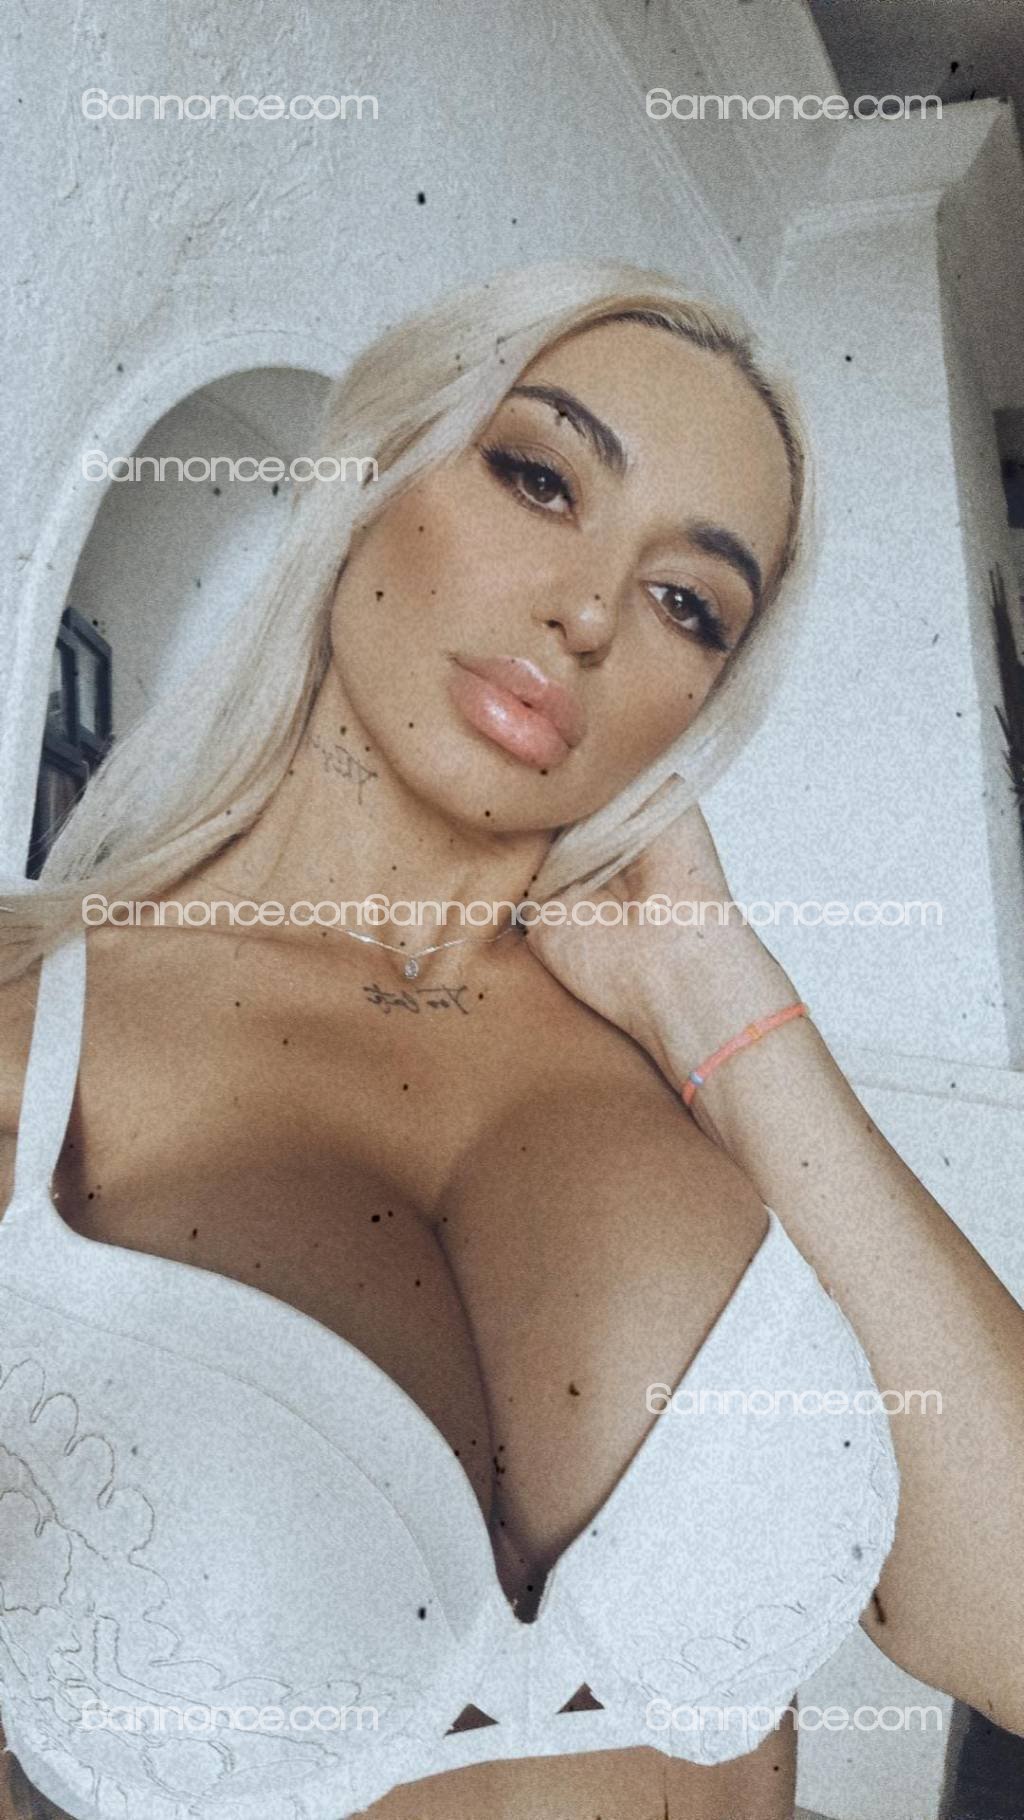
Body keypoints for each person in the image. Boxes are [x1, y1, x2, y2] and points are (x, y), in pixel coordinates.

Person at [0, 259, 1021, 1820]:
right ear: (372, 476)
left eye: (689, 603)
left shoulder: (692, 1075)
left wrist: (720, 998)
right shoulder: (36, 1033)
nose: (593, 611)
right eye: (542, 478)